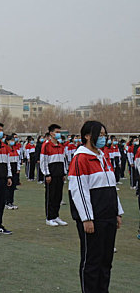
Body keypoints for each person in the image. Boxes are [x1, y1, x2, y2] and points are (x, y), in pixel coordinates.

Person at [68, 120, 123, 293]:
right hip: (93, 219)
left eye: (105, 135)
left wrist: (118, 212)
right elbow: (79, 191)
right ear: (87, 136)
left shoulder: (103, 156)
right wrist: (87, 218)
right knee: (91, 261)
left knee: (106, 261)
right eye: (100, 135)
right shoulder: (80, 159)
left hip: (109, 216)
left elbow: (112, 187)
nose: (103, 139)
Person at [41, 124, 68, 227]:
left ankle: (56, 216)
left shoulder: (61, 145)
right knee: (50, 196)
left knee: (58, 196)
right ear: (51, 133)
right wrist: (47, 174)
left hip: (59, 174)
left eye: (59, 132)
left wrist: (64, 172)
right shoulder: (46, 145)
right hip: (51, 174)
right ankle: (49, 217)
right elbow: (44, 161)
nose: (58, 134)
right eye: (57, 132)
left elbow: (63, 159)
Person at [5, 134, 20, 210]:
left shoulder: (15, 148)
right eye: (11, 140)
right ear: (7, 141)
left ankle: (11, 202)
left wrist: (18, 168)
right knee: (8, 186)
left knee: (13, 186)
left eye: (13, 140)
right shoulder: (6, 149)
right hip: (9, 168)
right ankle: (7, 202)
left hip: (14, 168)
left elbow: (17, 159)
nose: (13, 142)